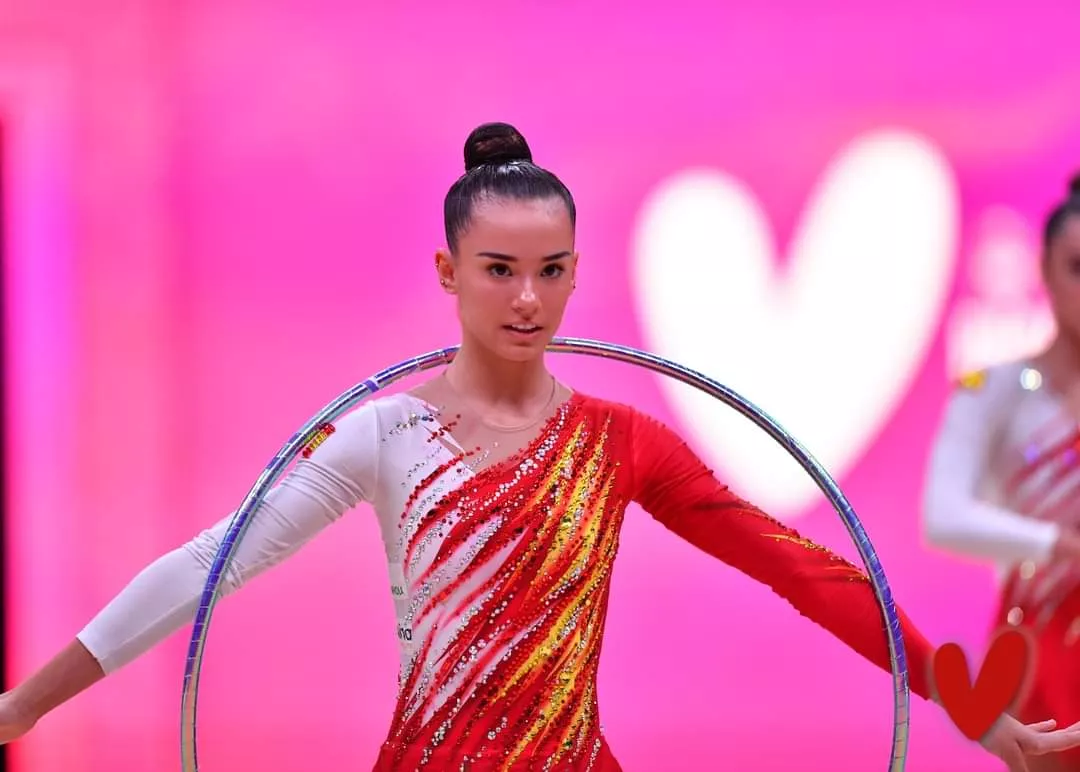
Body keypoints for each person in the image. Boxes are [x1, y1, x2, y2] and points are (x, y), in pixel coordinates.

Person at [0, 123, 1075, 772]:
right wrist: (21, 707)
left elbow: (805, 570)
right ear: (447, 270)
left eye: (552, 269)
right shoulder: (388, 434)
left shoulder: (622, 443)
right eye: (500, 269)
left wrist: (964, 704)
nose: (529, 298)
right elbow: (208, 564)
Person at [924, 174, 1080, 772]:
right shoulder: (991, 392)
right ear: (1044, 270)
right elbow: (946, 515)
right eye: (1076, 267)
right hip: (1039, 646)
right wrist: (1054, 543)